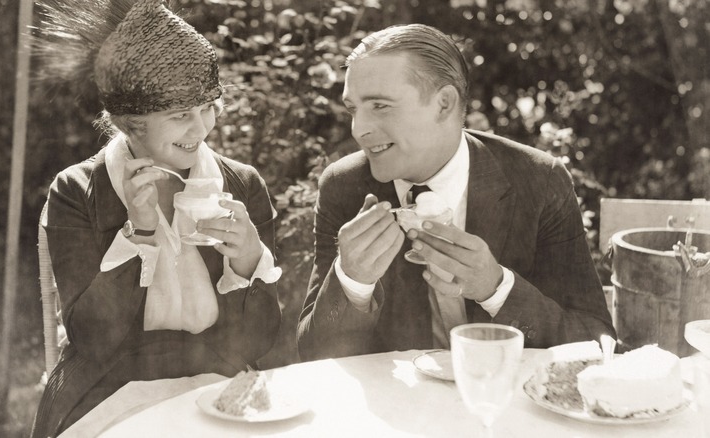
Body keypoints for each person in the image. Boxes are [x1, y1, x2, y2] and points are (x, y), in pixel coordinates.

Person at [30, 0, 281, 435]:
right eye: (181, 115)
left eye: (209, 108)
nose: (201, 129)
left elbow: (258, 342)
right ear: (132, 123)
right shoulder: (77, 190)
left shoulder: (241, 185)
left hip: (218, 384)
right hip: (108, 389)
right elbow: (93, 341)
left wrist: (246, 260)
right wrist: (140, 231)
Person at [297, 24, 615, 361]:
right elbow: (313, 357)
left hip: (504, 402)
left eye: (380, 106)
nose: (359, 129)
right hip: (400, 409)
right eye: (353, 109)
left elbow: (597, 342)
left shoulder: (539, 180)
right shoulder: (343, 186)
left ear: (444, 104)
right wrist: (352, 283)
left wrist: (497, 289)